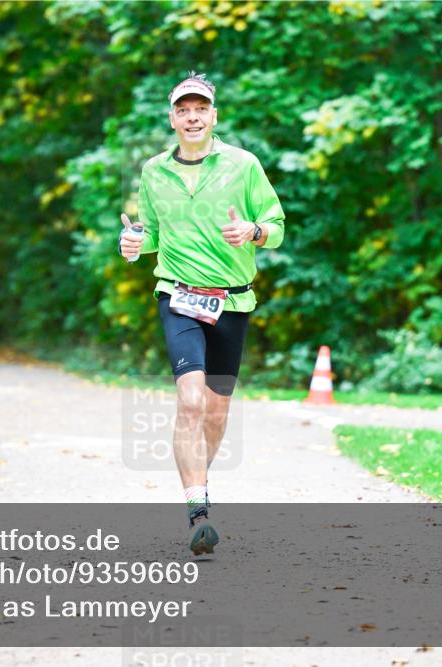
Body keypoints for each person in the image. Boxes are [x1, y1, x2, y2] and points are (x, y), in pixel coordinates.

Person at [119, 72, 285, 555]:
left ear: (214, 116)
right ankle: (198, 509)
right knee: (190, 402)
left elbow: (276, 226)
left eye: (200, 109)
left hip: (233, 297)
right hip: (178, 294)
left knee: (216, 410)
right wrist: (134, 243)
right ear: (172, 118)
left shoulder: (244, 165)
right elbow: (149, 233)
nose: (192, 117)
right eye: (183, 110)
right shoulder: (154, 171)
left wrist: (253, 231)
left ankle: (198, 478)